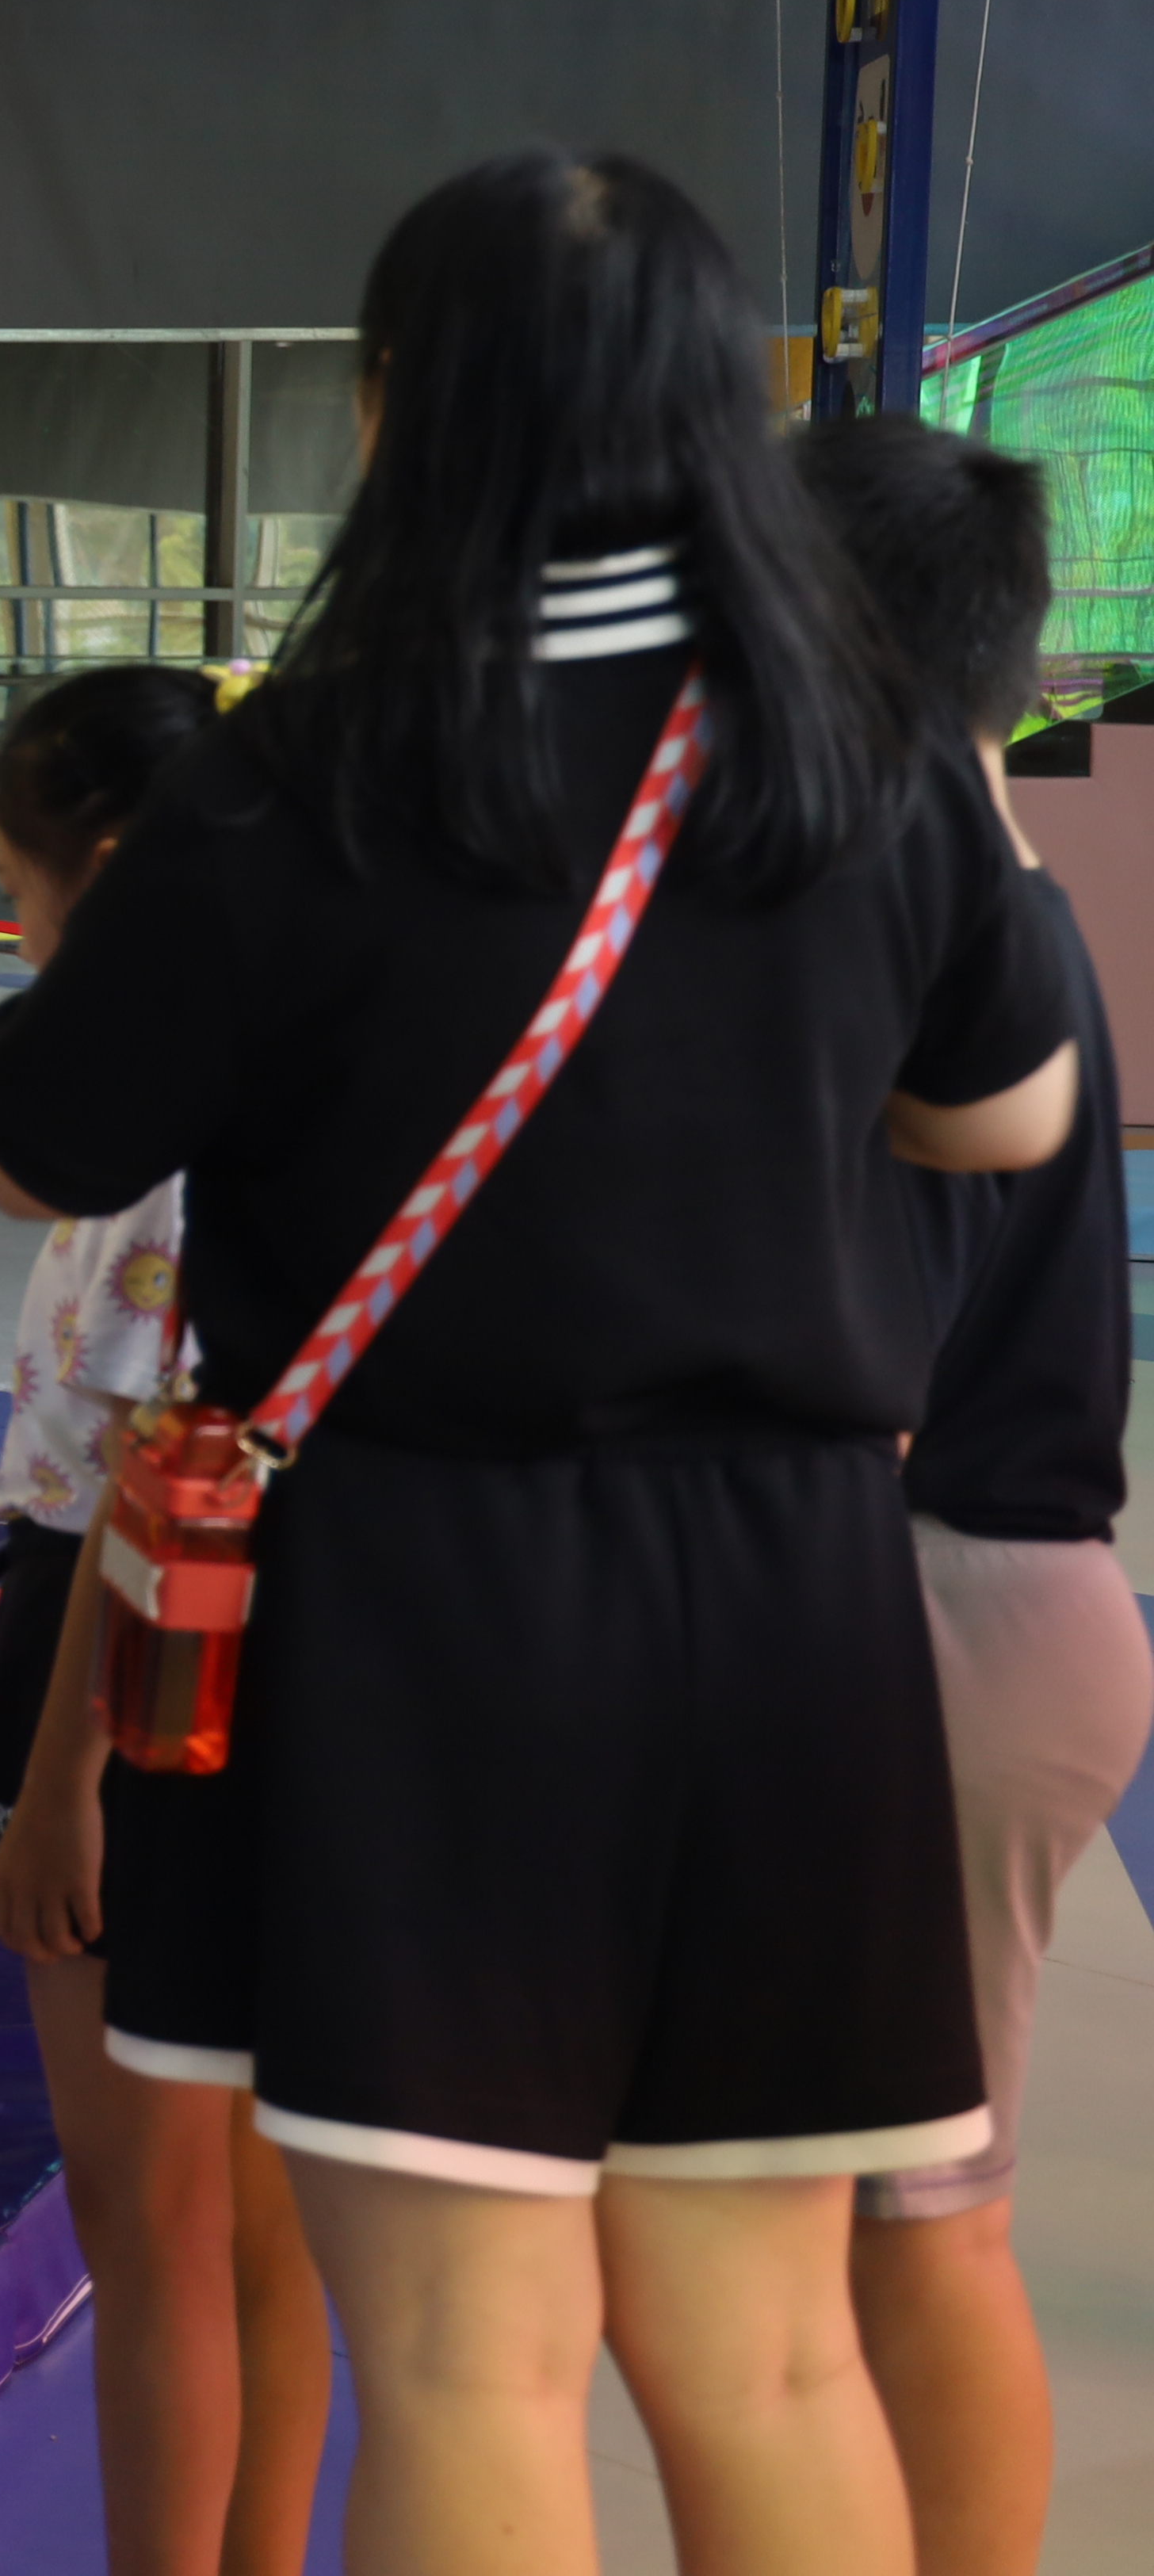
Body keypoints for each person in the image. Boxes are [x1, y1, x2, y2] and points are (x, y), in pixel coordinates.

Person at [0, 151, 1076, 2576]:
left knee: (471, 2359)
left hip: (430, 1622)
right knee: (768, 2349)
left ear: (391, 417)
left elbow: (45, 1147)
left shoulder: (302, 772)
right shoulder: (858, 744)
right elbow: (1007, 1106)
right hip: (798, 1609)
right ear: (712, 414)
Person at [0, 665, 332, 2576]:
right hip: (261, 1659)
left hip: (129, 1660)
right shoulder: (305, 1070)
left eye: (12, 882)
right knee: (256, 2226)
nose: (7, 923)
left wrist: (64, 1768)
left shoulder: (147, 1132)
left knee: (150, 2233)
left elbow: (139, 1479)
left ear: (100, 872)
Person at [792, 414, 1152, 2576]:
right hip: (986, 1618)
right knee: (888, 2215)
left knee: (911, 2224)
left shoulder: (926, 931)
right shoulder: (980, 894)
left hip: (944, 1618)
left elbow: (874, 1372)